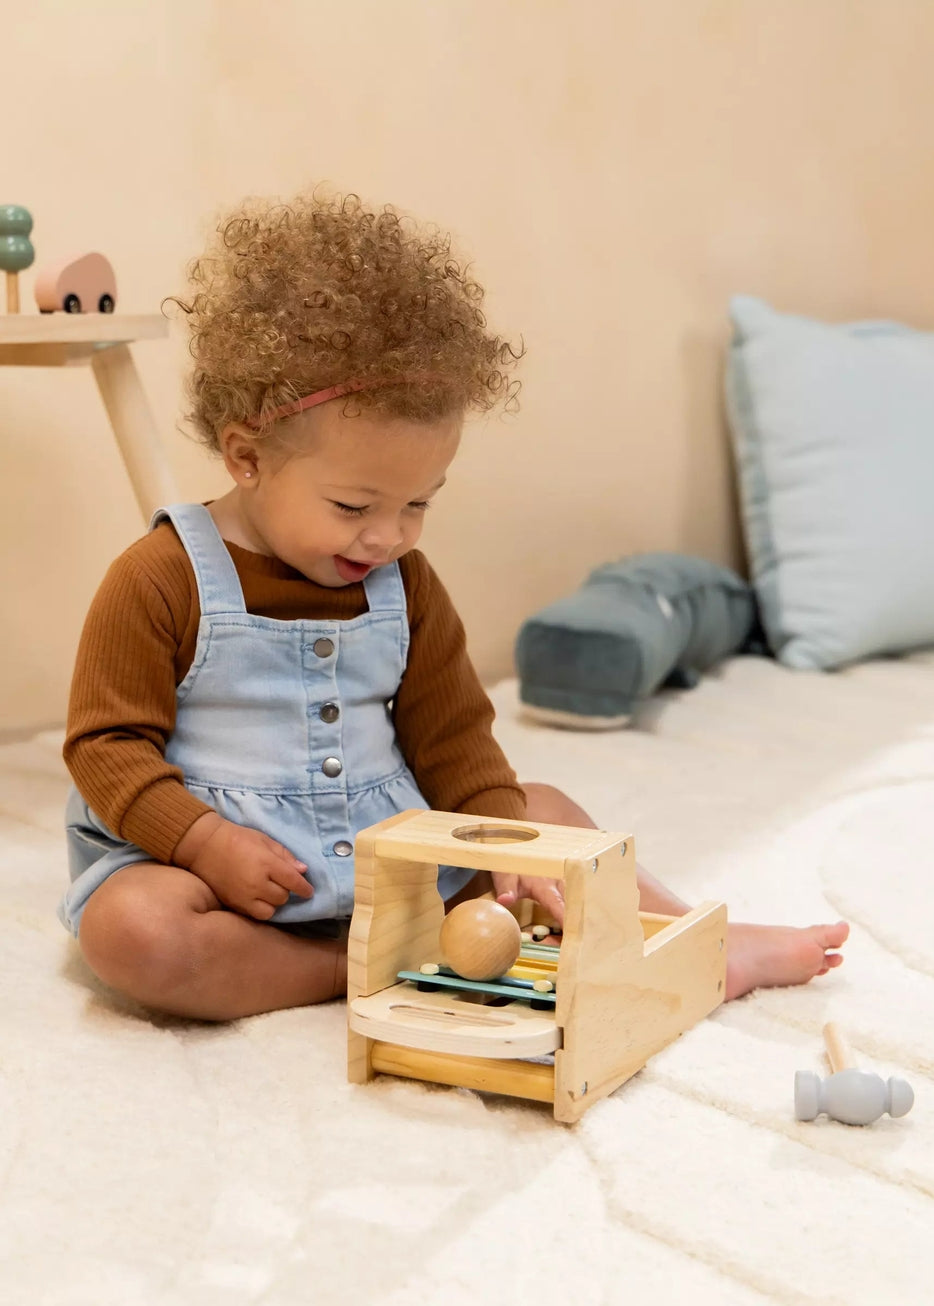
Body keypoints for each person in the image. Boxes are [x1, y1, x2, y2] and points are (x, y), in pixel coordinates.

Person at [61, 188, 848, 1021]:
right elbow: (107, 746)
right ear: (247, 456)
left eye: (419, 504)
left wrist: (503, 842)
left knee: (542, 815)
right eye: (355, 507)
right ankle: (346, 970)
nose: (389, 537)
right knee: (132, 932)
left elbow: (453, 738)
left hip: (393, 858)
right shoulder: (159, 576)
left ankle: (688, 939)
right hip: (227, 876)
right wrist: (202, 842)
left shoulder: (406, 584)